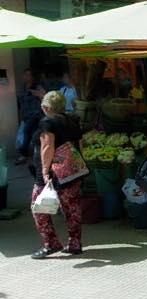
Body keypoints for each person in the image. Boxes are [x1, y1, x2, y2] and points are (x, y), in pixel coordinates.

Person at [28, 91, 84, 259]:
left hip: (52, 173)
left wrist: (45, 172)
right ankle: (75, 243)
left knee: (38, 208)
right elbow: (80, 144)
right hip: (73, 171)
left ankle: (51, 243)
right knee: (72, 208)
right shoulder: (73, 120)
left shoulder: (47, 122)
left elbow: (47, 146)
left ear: (46, 107)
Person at [15, 69, 46, 165]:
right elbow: (21, 104)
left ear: (32, 77)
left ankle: (24, 155)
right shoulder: (23, 88)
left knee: (27, 132)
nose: (27, 77)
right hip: (26, 116)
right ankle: (32, 156)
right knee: (30, 136)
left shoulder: (37, 86)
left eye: (29, 75)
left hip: (35, 116)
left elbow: (44, 95)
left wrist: (36, 93)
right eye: (25, 75)